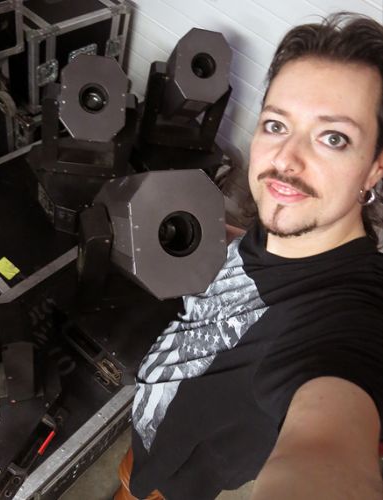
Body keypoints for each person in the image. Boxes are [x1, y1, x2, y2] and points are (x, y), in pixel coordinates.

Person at [115, 12, 383, 500]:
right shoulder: (293, 229)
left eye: (333, 137)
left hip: (169, 480)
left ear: (374, 169)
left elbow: (328, 447)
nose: (286, 160)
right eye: (277, 125)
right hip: (149, 429)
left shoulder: (347, 320)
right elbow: (263, 265)